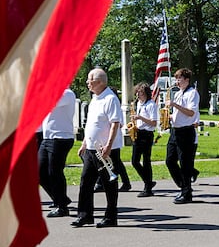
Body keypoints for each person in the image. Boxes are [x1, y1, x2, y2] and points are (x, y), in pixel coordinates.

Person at [72, 68, 122, 228]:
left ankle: (111, 217)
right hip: (92, 149)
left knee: (109, 184)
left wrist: (108, 146)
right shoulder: (95, 98)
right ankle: (85, 215)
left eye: (90, 80)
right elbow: (91, 124)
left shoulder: (110, 99)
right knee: (86, 182)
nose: (87, 83)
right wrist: (85, 143)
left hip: (106, 150)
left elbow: (115, 124)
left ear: (100, 82)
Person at [39, 88, 76, 218]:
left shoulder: (66, 93)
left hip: (61, 138)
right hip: (48, 137)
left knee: (55, 172)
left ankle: (62, 207)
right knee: (40, 171)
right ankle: (61, 199)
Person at [165, 68, 200, 204]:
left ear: (187, 80)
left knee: (185, 163)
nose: (177, 81)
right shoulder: (179, 93)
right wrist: (169, 117)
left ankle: (186, 192)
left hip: (186, 131)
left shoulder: (193, 93)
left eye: (179, 79)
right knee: (170, 160)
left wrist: (175, 104)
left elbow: (191, 113)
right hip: (176, 130)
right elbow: (177, 113)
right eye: (176, 79)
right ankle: (183, 185)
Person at [131, 81, 158, 197]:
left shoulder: (151, 105)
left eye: (140, 93)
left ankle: (148, 187)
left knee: (146, 161)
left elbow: (153, 123)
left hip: (147, 134)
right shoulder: (138, 104)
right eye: (137, 93)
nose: (138, 95)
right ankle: (148, 182)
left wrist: (140, 117)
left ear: (146, 93)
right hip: (138, 133)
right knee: (135, 161)